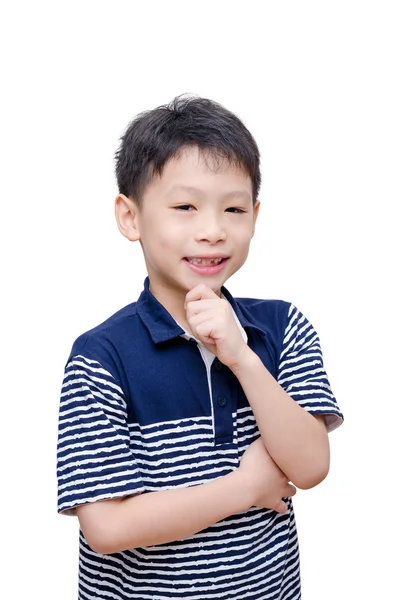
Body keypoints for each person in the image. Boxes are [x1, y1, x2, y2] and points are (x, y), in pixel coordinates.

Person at [57, 95, 343, 600]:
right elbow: (106, 529)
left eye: (233, 208)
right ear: (130, 216)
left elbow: (311, 467)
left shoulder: (281, 327)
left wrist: (242, 356)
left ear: (255, 215)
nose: (212, 230)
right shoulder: (102, 355)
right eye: (185, 207)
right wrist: (245, 488)